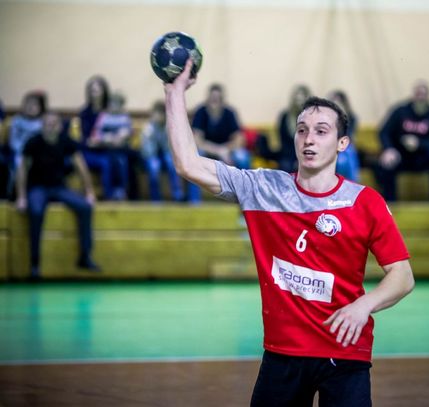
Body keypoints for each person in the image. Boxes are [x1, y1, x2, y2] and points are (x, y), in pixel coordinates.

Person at [165, 60, 414, 406]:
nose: (309, 139)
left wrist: (364, 306)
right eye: (302, 130)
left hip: (345, 353)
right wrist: (174, 91)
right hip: (283, 354)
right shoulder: (263, 188)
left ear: (342, 143)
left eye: (322, 131)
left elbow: (402, 276)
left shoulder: (365, 202)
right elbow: (188, 163)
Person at [16, 112, 100, 279]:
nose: (50, 127)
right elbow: (22, 170)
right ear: (42, 126)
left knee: (85, 207)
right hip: (37, 188)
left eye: (54, 123)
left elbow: (81, 166)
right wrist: (22, 197)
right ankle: (34, 264)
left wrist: (89, 192)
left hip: (59, 187)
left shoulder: (66, 141)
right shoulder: (33, 142)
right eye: (47, 123)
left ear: (60, 126)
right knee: (36, 212)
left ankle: (85, 257)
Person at [376, 80, 429, 201]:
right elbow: (384, 132)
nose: (420, 97)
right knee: (385, 163)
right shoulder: (400, 111)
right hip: (400, 154)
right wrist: (389, 149)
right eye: (418, 94)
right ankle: (390, 201)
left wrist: (418, 143)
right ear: (413, 95)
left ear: (428, 96)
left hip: (422, 156)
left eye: (423, 94)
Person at [140, 101, 198, 202]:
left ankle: (177, 194)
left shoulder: (169, 127)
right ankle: (156, 198)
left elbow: (170, 149)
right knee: (154, 167)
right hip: (150, 157)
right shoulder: (148, 129)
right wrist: (153, 136)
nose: (159, 117)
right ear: (152, 115)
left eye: (162, 114)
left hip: (165, 155)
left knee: (172, 162)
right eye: (157, 114)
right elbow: (147, 152)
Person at [90, 91, 132, 200]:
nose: (114, 106)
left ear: (122, 105)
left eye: (117, 104)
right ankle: (108, 193)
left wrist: (120, 137)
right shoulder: (103, 117)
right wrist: (107, 138)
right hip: (105, 150)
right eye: (112, 103)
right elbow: (95, 135)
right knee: (107, 163)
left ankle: (122, 191)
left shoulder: (124, 117)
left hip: (120, 150)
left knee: (122, 162)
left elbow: (127, 133)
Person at [8, 92, 48, 195]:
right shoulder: (16, 121)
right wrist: (23, 150)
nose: (30, 107)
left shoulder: (44, 122)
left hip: (39, 153)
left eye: (34, 104)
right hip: (20, 152)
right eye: (28, 104)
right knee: (19, 162)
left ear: (41, 107)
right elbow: (13, 141)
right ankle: (14, 192)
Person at [276, 85, 311, 173]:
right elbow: (283, 142)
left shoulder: (312, 117)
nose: (299, 102)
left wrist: (301, 158)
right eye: (297, 99)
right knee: (285, 165)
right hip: (288, 154)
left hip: (308, 153)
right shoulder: (285, 117)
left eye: (302, 99)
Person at [328, 90, 361, 182]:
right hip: (330, 146)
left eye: (339, 104)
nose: (337, 107)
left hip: (345, 146)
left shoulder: (352, 118)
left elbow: (349, 136)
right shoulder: (324, 119)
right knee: (342, 157)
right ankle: (351, 182)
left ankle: (352, 182)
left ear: (344, 104)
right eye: (333, 104)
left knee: (347, 153)